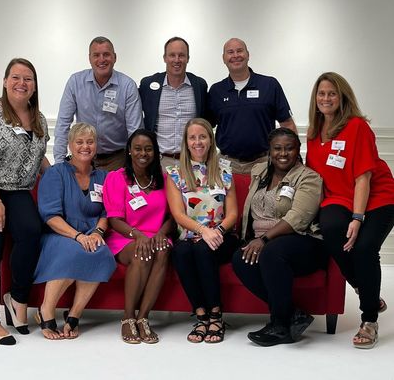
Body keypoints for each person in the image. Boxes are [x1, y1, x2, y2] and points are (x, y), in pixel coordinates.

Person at [306, 72, 394, 349]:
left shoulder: (357, 126)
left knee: (365, 247)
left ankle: (369, 319)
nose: (326, 98)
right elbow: (316, 180)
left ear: (342, 97)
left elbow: (363, 178)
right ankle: (363, 287)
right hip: (340, 196)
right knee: (330, 228)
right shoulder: (312, 134)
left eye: (332, 93)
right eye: (322, 93)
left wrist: (357, 218)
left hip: (378, 196)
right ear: (315, 98)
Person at [232, 127, 326, 346]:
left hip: (304, 243)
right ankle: (294, 313)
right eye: (277, 148)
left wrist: (264, 240)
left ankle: (280, 325)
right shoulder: (260, 172)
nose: (283, 154)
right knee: (240, 258)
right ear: (270, 151)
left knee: (272, 252)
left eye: (289, 148)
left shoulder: (309, 178)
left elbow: (298, 218)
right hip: (266, 245)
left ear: (298, 150)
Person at [0, 58, 50, 346]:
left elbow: (40, 159)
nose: (22, 83)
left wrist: (61, 176)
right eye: (16, 77)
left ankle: (17, 296)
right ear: (5, 81)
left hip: (19, 190)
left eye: (28, 79)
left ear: (34, 86)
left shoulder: (39, 119)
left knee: (32, 233)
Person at [34, 123, 116, 340]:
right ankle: (46, 311)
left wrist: (97, 233)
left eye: (90, 142)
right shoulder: (55, 173)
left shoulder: (104, 177)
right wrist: (78, 236)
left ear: (96, 146)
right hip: (59, 234)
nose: (85, 146)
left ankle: (74, 315)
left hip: (90, 234)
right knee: (73, 251)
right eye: (79, 142)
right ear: (70, 145)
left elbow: (108, 211)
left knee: (101, 252)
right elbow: (50, 216)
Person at [166, 118, 239, 343]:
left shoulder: (225, 171)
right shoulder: (175, 173)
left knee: (203, 250)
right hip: (189, 235)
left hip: (222, 236)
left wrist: (214, 232)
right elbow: (178, 214)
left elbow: (233, 214)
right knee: (181, 252)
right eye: (193, 137)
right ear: (186, 143)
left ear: (210, 140)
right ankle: (200, 315)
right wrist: (201, 231)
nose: (198, 142)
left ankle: (216, 315)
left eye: (202, 137)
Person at [103, 129, 173, 344]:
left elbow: (174, 215)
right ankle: (127, 318)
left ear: (156, 152)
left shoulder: (165, 179)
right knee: (142, 253)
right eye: (138, 148)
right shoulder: (117, 178)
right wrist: (138, 235)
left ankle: (143, 317)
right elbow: (114, 220)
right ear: (130, 151)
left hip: (157, 235)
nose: (143, 153)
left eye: (149, 148)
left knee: (163, 250)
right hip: (126, 236)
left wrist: (161, 233)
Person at [53, 36, 143, 171]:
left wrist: (135, 167)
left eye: (106, 54)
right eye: (96, 55)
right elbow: (63, 124)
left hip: (117, 160)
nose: (101, 59)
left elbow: (135, 131)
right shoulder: (75, 82)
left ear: (114, 57)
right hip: (83, 157)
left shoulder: (127, 86)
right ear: (89, 58)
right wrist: (59, 164)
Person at [208, 38, 297, 174]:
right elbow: (206, 128)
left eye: (240, 51)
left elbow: (287, 123)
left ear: (248, 55)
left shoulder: (269, 85)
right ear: (224, 58)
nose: (236, 55)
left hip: (263, 163)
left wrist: (295, 159)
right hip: (226, 165)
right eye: (230, 52)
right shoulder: (216, 91)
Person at [139, 36, 209, 168]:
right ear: (165, 58)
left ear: (188, 58)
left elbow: (206, 120)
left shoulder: (199, 85)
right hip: (159, 161)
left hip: (191, 161)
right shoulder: (148, 85)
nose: (177, 60)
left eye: (181, 55)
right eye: (172, 55)